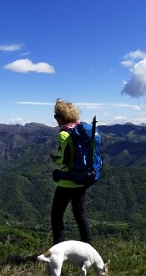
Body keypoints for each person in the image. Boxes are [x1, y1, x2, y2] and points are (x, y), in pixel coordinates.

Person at [50, 99, 92, 245]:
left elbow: (65, 158)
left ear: (61, 117)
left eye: (56, 115)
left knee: (56, 215)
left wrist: (56, 160)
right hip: (82, 180)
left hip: (67, 181)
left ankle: (57, 250)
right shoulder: (80, 131)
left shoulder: (64, 134)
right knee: (80, 214)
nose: (55, 118)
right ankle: (88, 248)